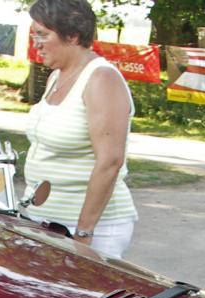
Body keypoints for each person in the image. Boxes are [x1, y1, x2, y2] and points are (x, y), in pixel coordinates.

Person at [23, 0, 137, 259]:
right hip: (47, 220)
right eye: (33, 35)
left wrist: (84, 234)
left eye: (42, 34)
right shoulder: (57, 76)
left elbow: (110, 161)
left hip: (89, 228)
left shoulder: (101, 78)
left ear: (72, 36)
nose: (36, 43)